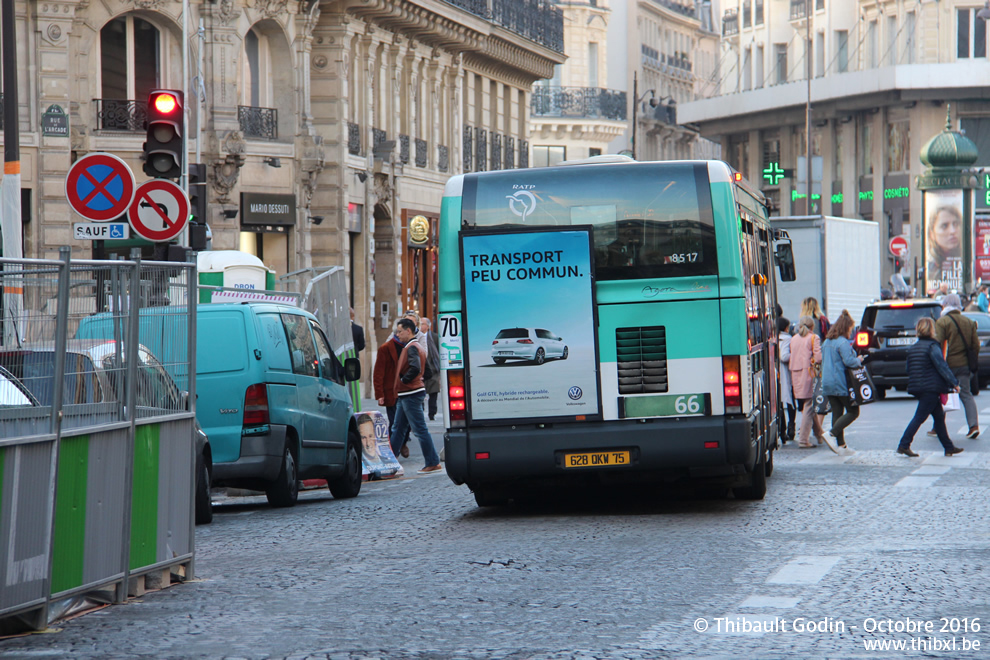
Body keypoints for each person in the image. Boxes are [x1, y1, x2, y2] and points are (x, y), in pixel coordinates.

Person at [896, 317, 965, 458]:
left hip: (919, 387)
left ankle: (948, 447)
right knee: (919, 417)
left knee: (939, 417)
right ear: (931, 330)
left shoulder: (914, 347)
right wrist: (954, 383)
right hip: (931, 388)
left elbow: (908, 369)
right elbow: (942, 366)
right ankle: (904, 444)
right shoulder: (933, 346)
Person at [389, 318, 442, 474]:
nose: (397, 335)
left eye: (399, 331)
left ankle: (432, 462)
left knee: (419, 429)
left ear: (408, 331)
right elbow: (427, 372)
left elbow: (416, 368)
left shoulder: (411, 347)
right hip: (408, 393)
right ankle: (390, 462)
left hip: (410, 393)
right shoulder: (416, 346)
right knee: (397, 428)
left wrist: (404, 380)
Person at [933, 293, 980, 439]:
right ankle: (973, 426)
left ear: (945, 304)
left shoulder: (942, 322)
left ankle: (937, 427)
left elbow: (938, 344)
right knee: (966, 395)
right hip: (964, 365)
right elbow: (976, 345)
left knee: (942, 395)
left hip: (947, 366)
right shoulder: (968, 321)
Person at [820, 310, 861, 455]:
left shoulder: (826, 342)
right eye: (851, 329)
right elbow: (850, 362)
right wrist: (859, 360)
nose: (851, 332)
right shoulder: (842, 343)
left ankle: (841, 446)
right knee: (853, 411)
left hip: (827, 382)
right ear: (846, 328)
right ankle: (831, 434)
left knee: (837, 413)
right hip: (839, 382)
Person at [789, 315, 826, 448]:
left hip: (795, 372)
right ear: (812, 326)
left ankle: (819, 434)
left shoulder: (794, 339)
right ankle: (804, 440)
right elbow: (818, 357)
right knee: (809, 405)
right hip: (808, 372)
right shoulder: (813, 337)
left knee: (807, 403)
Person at [373, 323, 409, 456]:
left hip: (408, 390)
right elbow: (378, 373)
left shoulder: (410, 346)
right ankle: (393, 453)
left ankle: (401, 443)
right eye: (399, 332)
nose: (400, 335)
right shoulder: (386, 348)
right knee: (395, 423)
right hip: (391, 392)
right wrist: (379, 394)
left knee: (407, 424)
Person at [926, 205, 963, 290]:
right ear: (932, 234)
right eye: (944, 226)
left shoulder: (966, 261)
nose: (952, 231)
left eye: (956, 224)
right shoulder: (931, 267)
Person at [776, 316, 796, 443]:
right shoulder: (788, 338)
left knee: (779, 402)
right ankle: (791, 426)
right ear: (786, 327)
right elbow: (784, 356)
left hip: (775, 373)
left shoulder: (773, 337)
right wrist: (795, 355)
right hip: (786, 373)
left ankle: (782, 431)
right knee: (789, 400)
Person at [420, 317, 441, 421]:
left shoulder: (435, 337)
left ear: (427, 326)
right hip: (421, 370)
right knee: (420, 392)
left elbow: (439, 353)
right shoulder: (417, 337)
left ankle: (432, 413)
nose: (420, 326)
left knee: (433, 393)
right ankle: (421, 411)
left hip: (434, 369)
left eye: (422, 324)